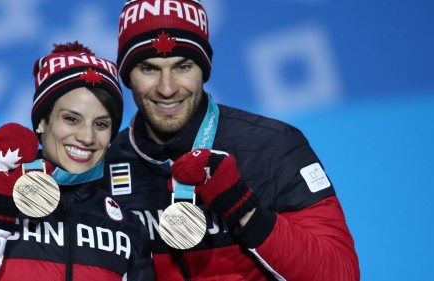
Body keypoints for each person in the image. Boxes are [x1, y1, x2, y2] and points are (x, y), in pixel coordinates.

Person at [102, 0, 360, 280]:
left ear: (204, 70)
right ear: (128, 76)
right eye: (150, 69)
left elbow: (340, 273)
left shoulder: (272, 146)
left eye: (183, 67)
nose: (167, 88)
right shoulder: (104, 164)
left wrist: (243, 207)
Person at [0, 42, 155, 281]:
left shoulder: (127, 224)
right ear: (42, 122)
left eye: (101, 124)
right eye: (71, 119)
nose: (87, 137)